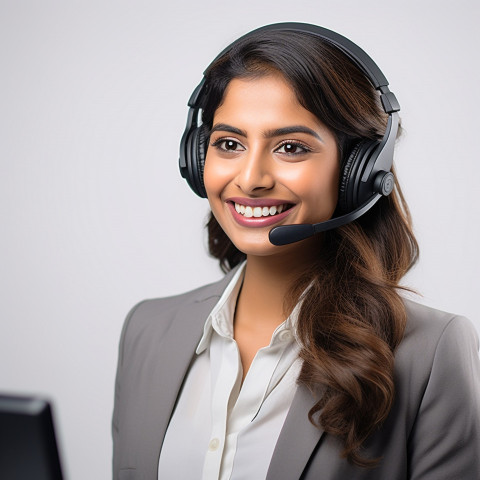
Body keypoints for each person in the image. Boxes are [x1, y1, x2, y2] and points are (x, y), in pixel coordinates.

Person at [112, 23, 480, 479]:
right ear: (195, 158)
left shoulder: (428, 351)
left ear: (357, 172)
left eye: (290, 147)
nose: (250, 178)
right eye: (229, 143)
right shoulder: (147, 330)